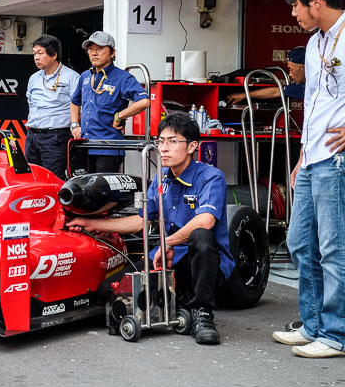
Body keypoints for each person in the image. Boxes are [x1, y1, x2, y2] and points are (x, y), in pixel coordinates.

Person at [68, 113, 233, 345]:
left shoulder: (211, 177)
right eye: (160, 141)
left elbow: (205, 221)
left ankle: (202, 313)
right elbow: (140, 222)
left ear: (192, 146)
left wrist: (167, 243)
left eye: (172, 141)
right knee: (108, 290)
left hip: (205, 265)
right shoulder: (162, 178)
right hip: (169, 262)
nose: (163, 148)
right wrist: (91, 224)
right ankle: (180, 302)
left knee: (201, 236)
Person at [271, 0, 345, 358]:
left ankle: (336, 334)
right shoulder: (315, 44)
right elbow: (314, 102)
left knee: (334, 248)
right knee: (299, 242)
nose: (293, 13)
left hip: (337, 159)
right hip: (313, 155)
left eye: (296, 5)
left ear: (316, 1)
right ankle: (314, 324)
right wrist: (302, 154)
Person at [69, 31, 150, 173]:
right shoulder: (85, 76)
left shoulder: (122, 77)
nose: (94, 53)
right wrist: (75, 125)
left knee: (103, 186)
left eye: (100, 49)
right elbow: (75, 101)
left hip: (109, 146)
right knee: (82, 185)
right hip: (84, 145)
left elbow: (144, 101)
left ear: (112, 53)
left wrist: (120, 115)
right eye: (91, 49)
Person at [25, 34, 81, 180]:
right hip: (32, 135)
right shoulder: (34, 78)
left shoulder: (72, 77)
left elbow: (78, 105)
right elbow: (30, 102)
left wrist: (75, 125)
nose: (36, 57)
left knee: (52, 179)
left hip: (56, 136)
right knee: (32, 178)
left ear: (54, 55)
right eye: (34, 53)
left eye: (40, 53)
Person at [226, 46, 307, 105]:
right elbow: (276, 92)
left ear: (303, 68)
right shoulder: (301, 87)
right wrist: (244, 95)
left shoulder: (313, 86)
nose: (290, 74)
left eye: (291, 69)